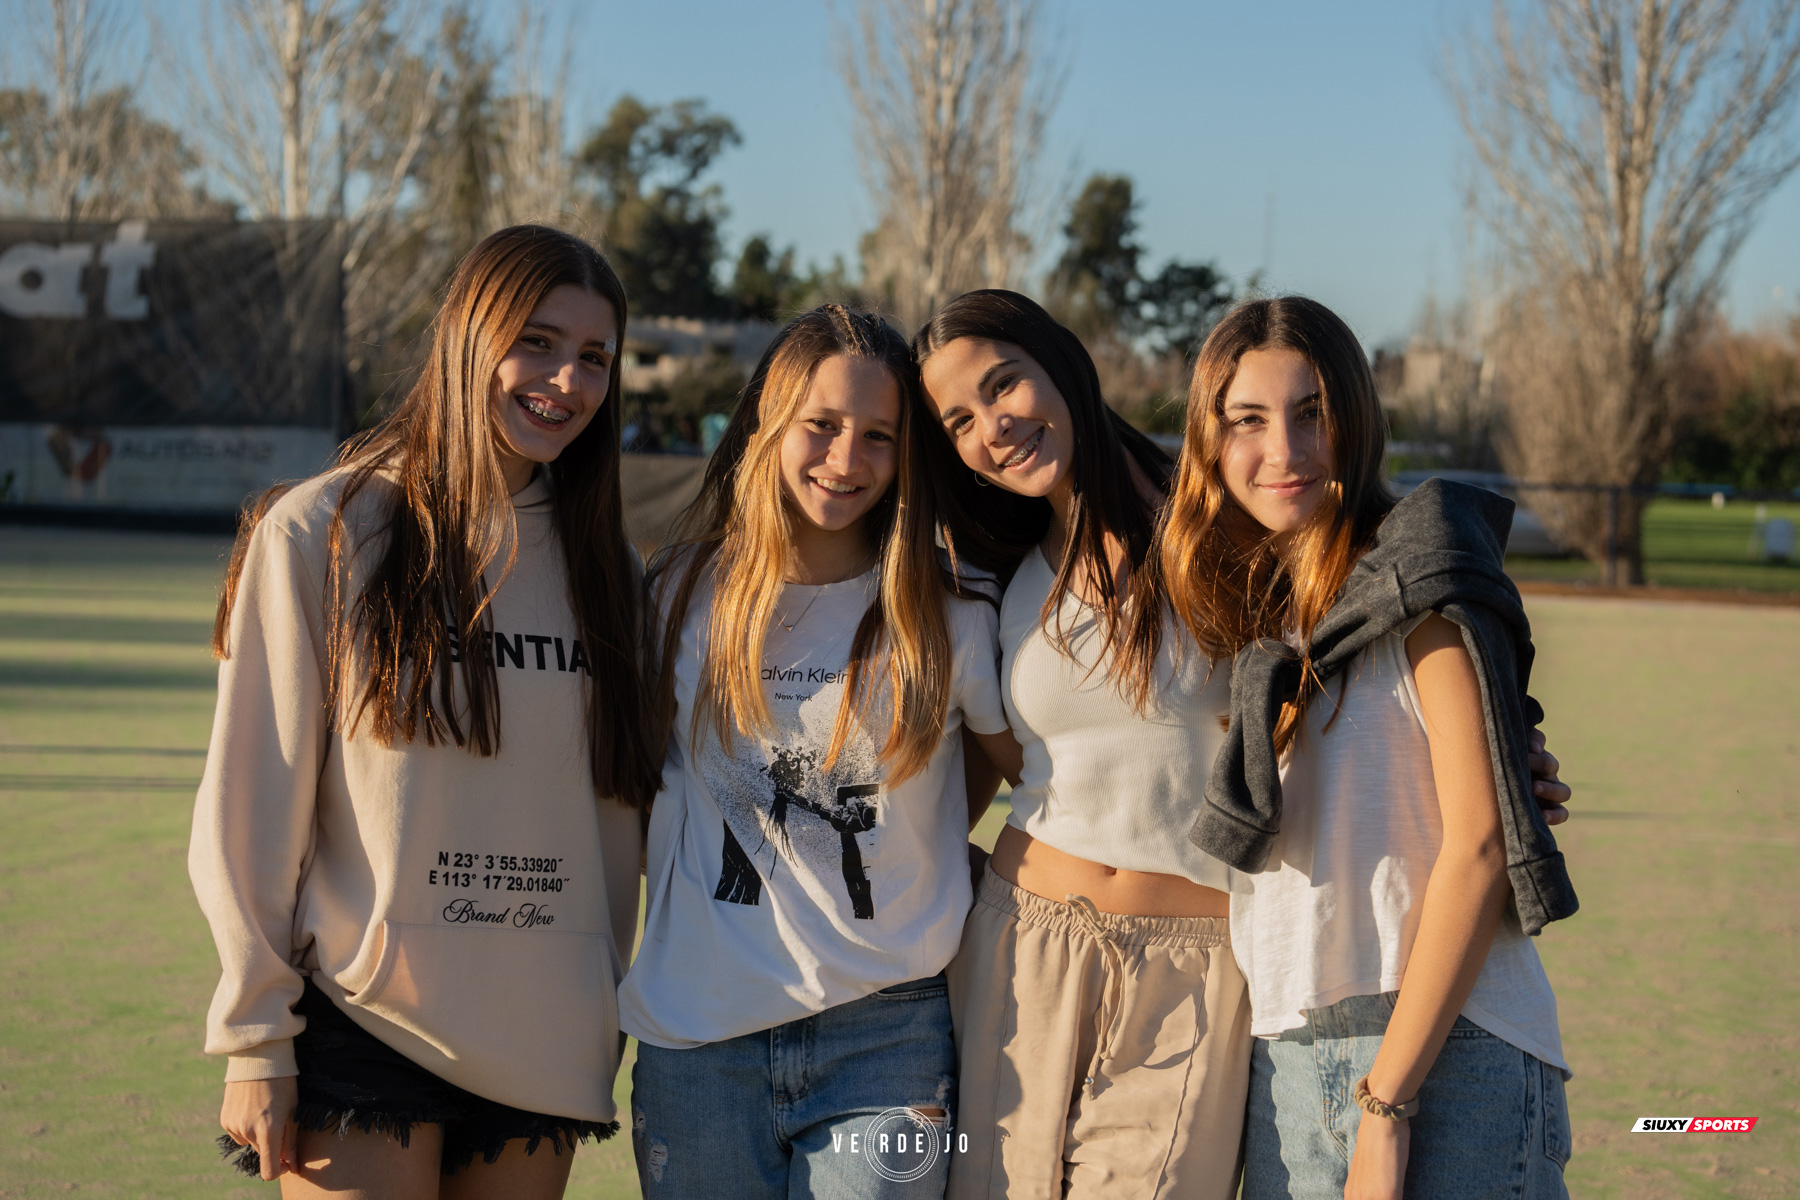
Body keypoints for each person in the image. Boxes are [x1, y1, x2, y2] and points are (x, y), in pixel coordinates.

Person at [911, 290, 1573, 1200]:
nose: (994, 424)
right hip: (1037, 953)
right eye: (959, 419)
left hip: (1210, 967)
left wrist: (1504, 761)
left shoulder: (1237, 544)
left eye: (1004, 384)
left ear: (1061, 363)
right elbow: (977, 774)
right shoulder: (994, 568)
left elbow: (1417, 709)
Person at [189, 225, 656, 1199]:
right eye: (536, 340)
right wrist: (254, 1037)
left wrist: (601, 1004)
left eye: (593, 358)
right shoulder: (323, 531)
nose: (564, 381)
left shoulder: (613, 573)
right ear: (464, 336)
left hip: (545, 1034)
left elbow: (624, 820)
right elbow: (251, 806)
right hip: (364, 1021)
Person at [1162, 296, 1574, 1199]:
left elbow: (1478, 845)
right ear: (1211, 440)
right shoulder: (1253, 618)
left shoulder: (1425, 579)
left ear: (1355, 415)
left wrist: (1387, 1107)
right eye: (1248, 420)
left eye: (1313, 413)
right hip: (1286, 1051)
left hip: (1446, 1049)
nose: (1286, 451)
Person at [616, 305, 1019, 1199]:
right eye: (823, 426)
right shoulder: (676, 593)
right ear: (766, 421)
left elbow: (1031, 767)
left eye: (878, 437)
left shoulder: (952, 610)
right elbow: (633, 783)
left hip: (891, 1046)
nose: (847, 459)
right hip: (698, 1040)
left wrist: (939, 836)